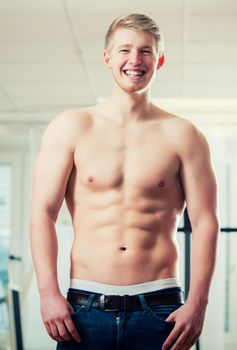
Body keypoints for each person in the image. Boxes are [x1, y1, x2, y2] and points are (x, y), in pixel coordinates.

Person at [29, 13, 219, 350]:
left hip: (160, 310)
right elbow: (42, 212)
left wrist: (198, 304)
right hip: (84, 311)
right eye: (124, 50)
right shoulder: (71, 127)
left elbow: (205, 221)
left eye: (146, 51)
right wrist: (48, 293)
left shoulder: (184, 134)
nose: (135, 60)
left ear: (159, 60)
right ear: (107, 58)